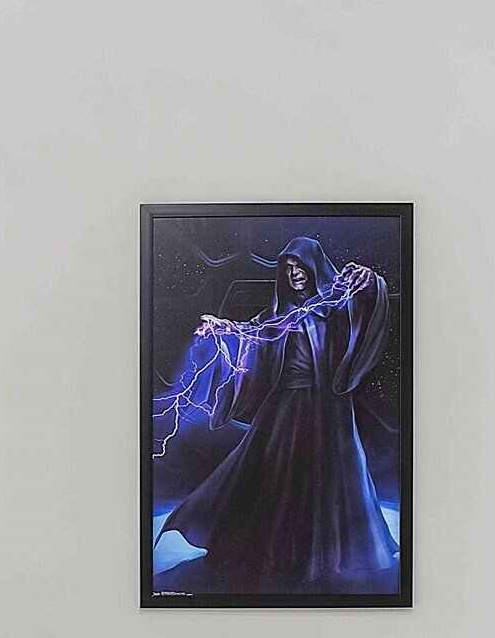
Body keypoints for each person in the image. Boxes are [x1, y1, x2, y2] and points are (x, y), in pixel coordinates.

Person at [159, 236, 397, 592]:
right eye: (287, 268)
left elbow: (370, 303)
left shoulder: (332, 307)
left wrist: (369, 277)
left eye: (299, 267)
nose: (294, 274)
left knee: (328, 477)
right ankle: (264, 550)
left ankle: (325, 555)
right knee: (266, 473)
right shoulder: (275, 315)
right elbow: (251, 337)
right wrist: (222, 329)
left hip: (326, 409)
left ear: (313, 267)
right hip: (284, 406)